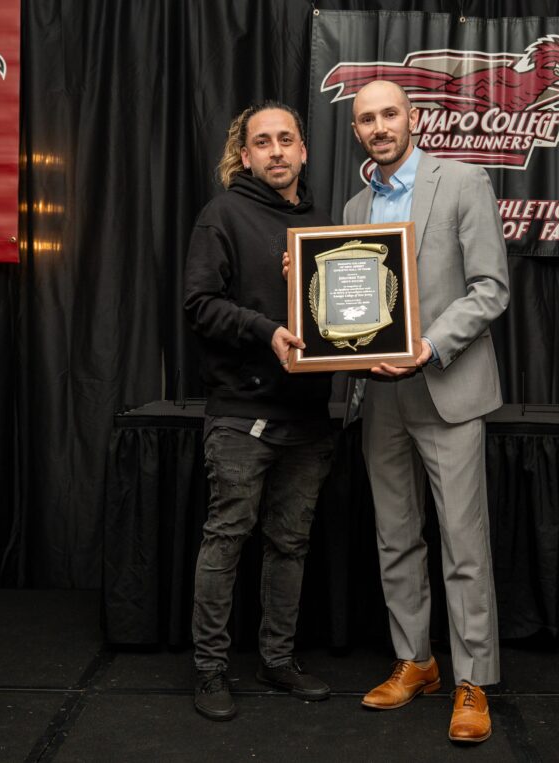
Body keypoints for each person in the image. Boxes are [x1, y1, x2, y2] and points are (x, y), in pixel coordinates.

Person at [346, 80, 509, 743]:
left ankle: (474, 679)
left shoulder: (463, 183)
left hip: (449, 383)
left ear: (411, 118)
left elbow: (491, 286)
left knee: (463, 542)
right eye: (367, 120)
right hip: (380, 393)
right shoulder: (355, 207)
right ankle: (418, 660)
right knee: (395, 534)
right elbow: (353, 302)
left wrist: (431, 343)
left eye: (389, 114)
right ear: (356, 131)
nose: (380, 126)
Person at [183, 101, 334, 722]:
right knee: (226, 541)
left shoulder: (326, 223)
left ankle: (277, 660)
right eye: (262, 142)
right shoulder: (222, 214)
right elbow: (199, 304)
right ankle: (211, 672)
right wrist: (265, 329)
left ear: (303, 150)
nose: (276, 151)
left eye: (286, 140)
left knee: (290, 544)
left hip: (308, 418)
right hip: (241, 415)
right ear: (244, 155)